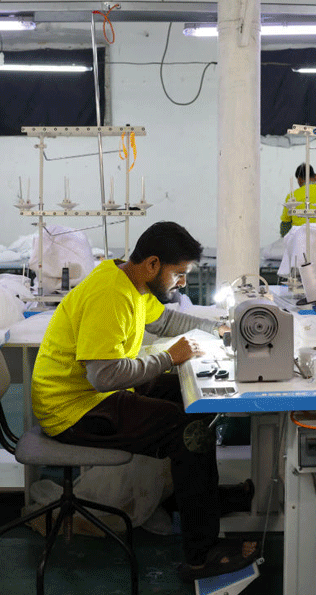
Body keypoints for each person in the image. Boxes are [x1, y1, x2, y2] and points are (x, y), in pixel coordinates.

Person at [31, 221, 258, 581]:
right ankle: (202, 555)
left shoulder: (129, 282)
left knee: (190, 399)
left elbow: (164, 321)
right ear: (153, 264)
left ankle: (200, 501)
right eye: (178, 274)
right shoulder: (111, 295)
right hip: (74, 409)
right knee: (189, 431)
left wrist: (215, 328)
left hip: (94, 395)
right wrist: (170, 358)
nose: (182, 283)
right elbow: (103, 376)